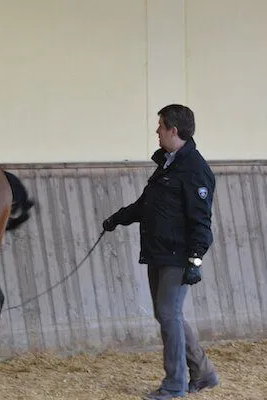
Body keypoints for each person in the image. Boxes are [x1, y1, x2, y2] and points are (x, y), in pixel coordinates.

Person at [102, 104, 220, 399]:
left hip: (178, 255)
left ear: (173, 130)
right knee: (167, 314)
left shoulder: (195, 170)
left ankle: (175, 384)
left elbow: (201, 221)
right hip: (158, 251)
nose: (157, 131)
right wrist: (118, 218)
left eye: (161, 126)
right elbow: (147, 204)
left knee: (168, 314)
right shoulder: (168, 164)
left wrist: (195, 260)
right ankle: (203, 372)